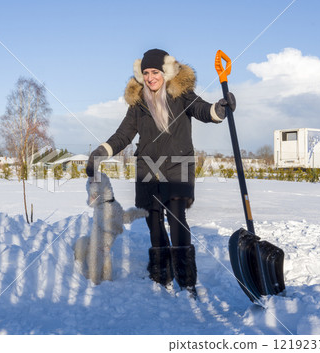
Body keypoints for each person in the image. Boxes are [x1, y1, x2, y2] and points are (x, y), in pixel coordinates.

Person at [86, 49, 235, 298]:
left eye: (155, 72)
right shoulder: (138, 104)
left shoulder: (181, 93)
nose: (150, 77)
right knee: (153, 221)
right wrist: (101, 151)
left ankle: (187, 281)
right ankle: (161, 274)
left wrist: (219, 109)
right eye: (145, 73)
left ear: (165, 72)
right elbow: (123, 135)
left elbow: (202, 111)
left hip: (178, 167)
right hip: (148, 170)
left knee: (176, 218)